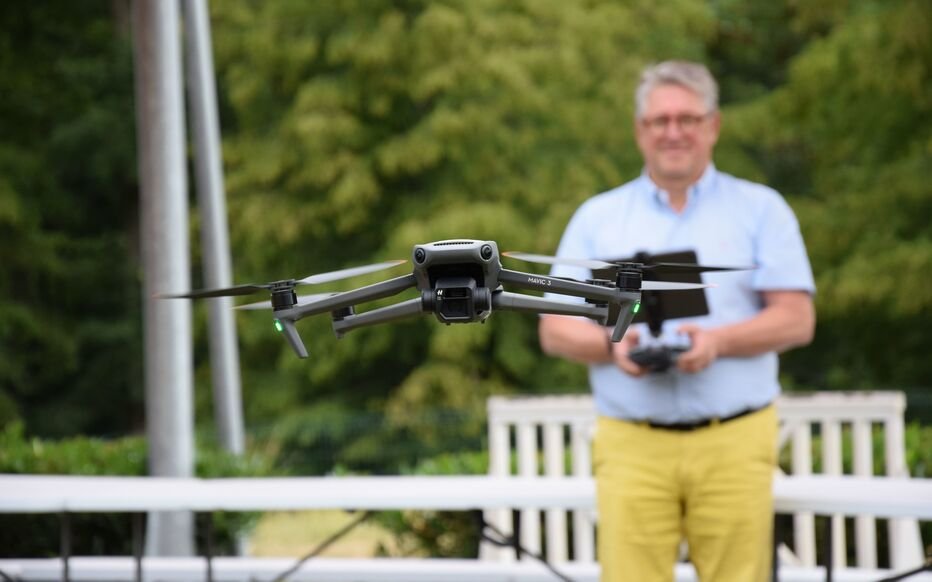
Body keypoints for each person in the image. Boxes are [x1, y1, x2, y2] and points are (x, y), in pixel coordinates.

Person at [538, 60, 816, 582]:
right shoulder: (597, 218)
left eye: (688, 118)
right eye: (660, 120)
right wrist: (612, 348)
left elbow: (797, 320)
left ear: (713, 125)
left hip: (734, 440)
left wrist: (719, 342)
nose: (674, 132)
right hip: (631, 444)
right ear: (640, 130)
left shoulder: (762, 210)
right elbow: (555, 328)